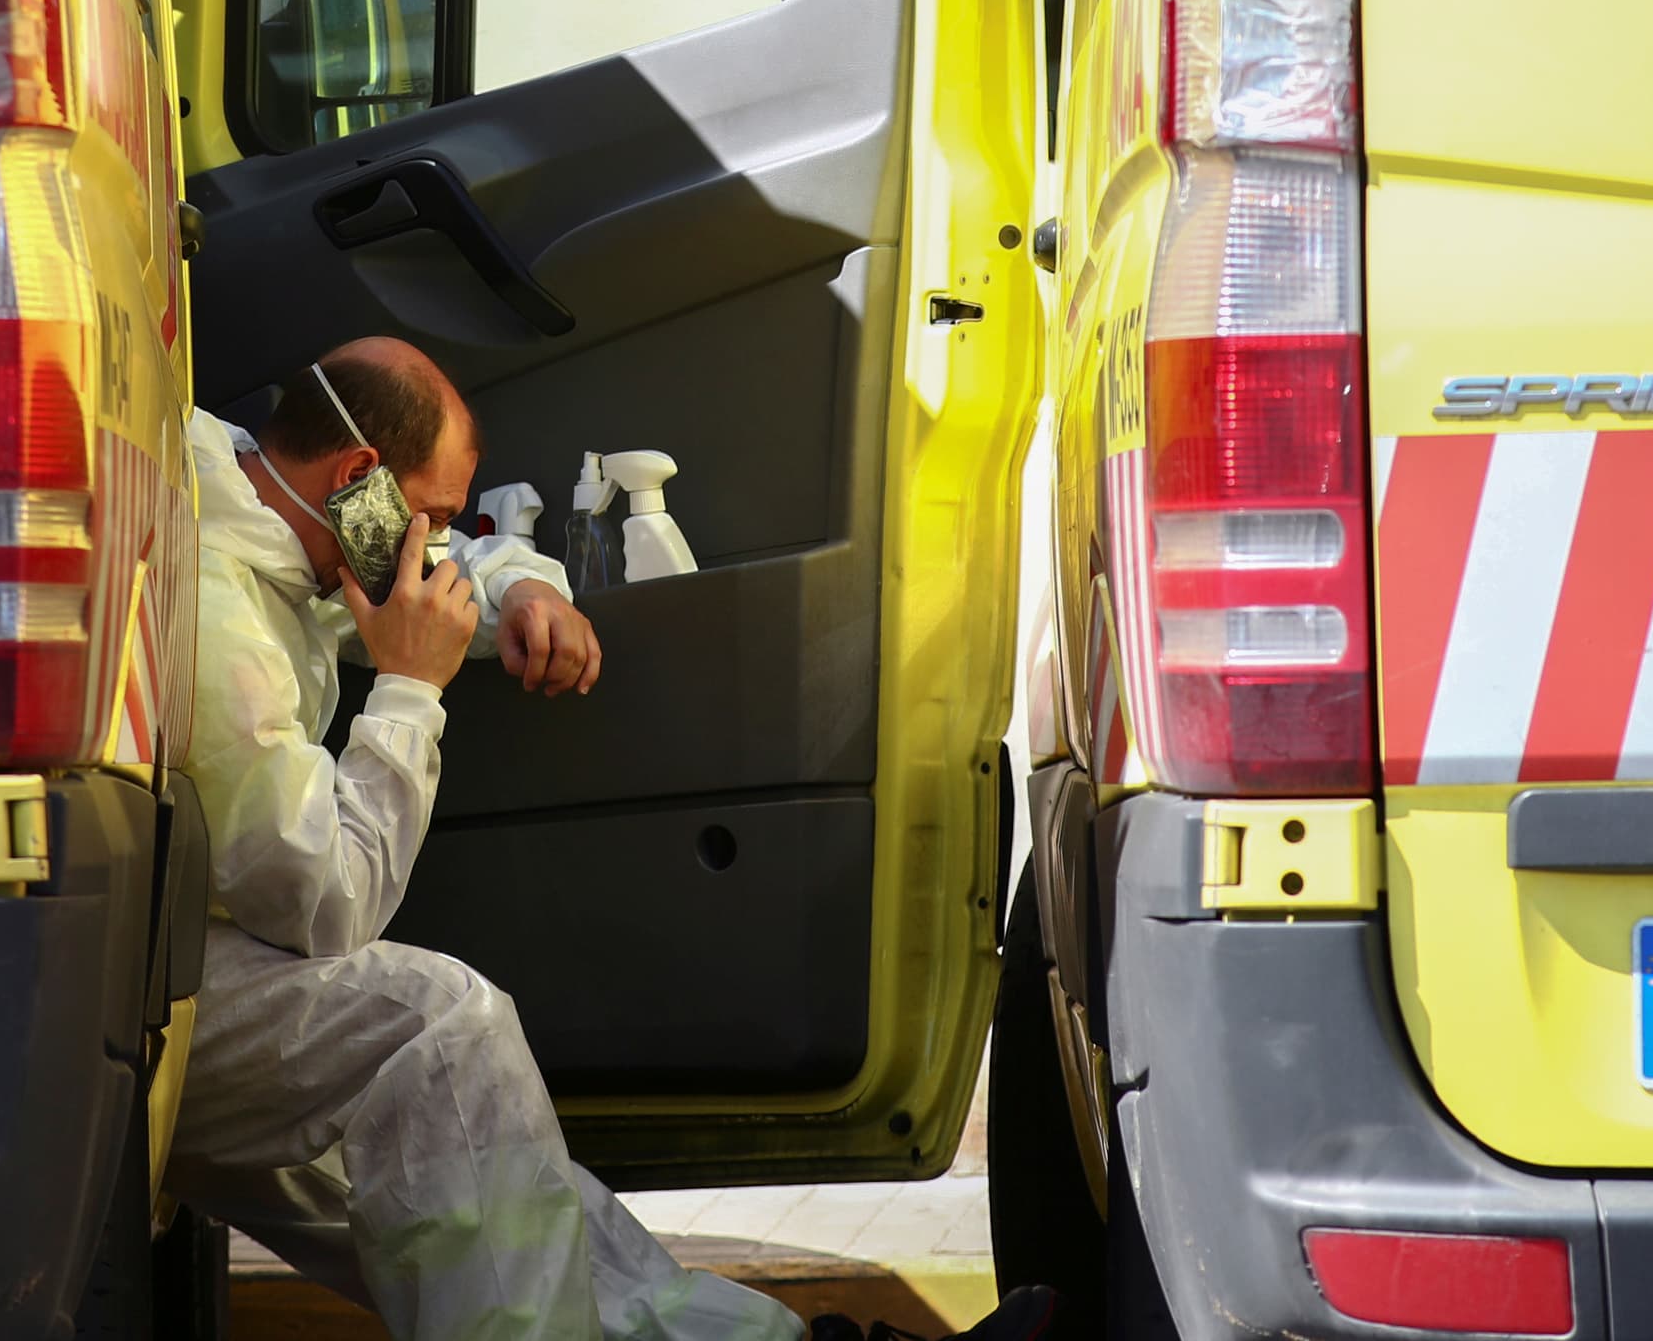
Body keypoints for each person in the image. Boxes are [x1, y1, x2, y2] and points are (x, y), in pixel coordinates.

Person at [166, 336, 1053, 1341]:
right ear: (359, 479)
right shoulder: (217, 607)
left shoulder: (275, 510)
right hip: (164, 980)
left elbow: (446, 566)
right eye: (435, 515)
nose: (439, 541)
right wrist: (409, 688)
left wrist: (522, 589)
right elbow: (326, 904)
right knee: (439, 1030)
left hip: (212, 951)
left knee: (490, 1174)